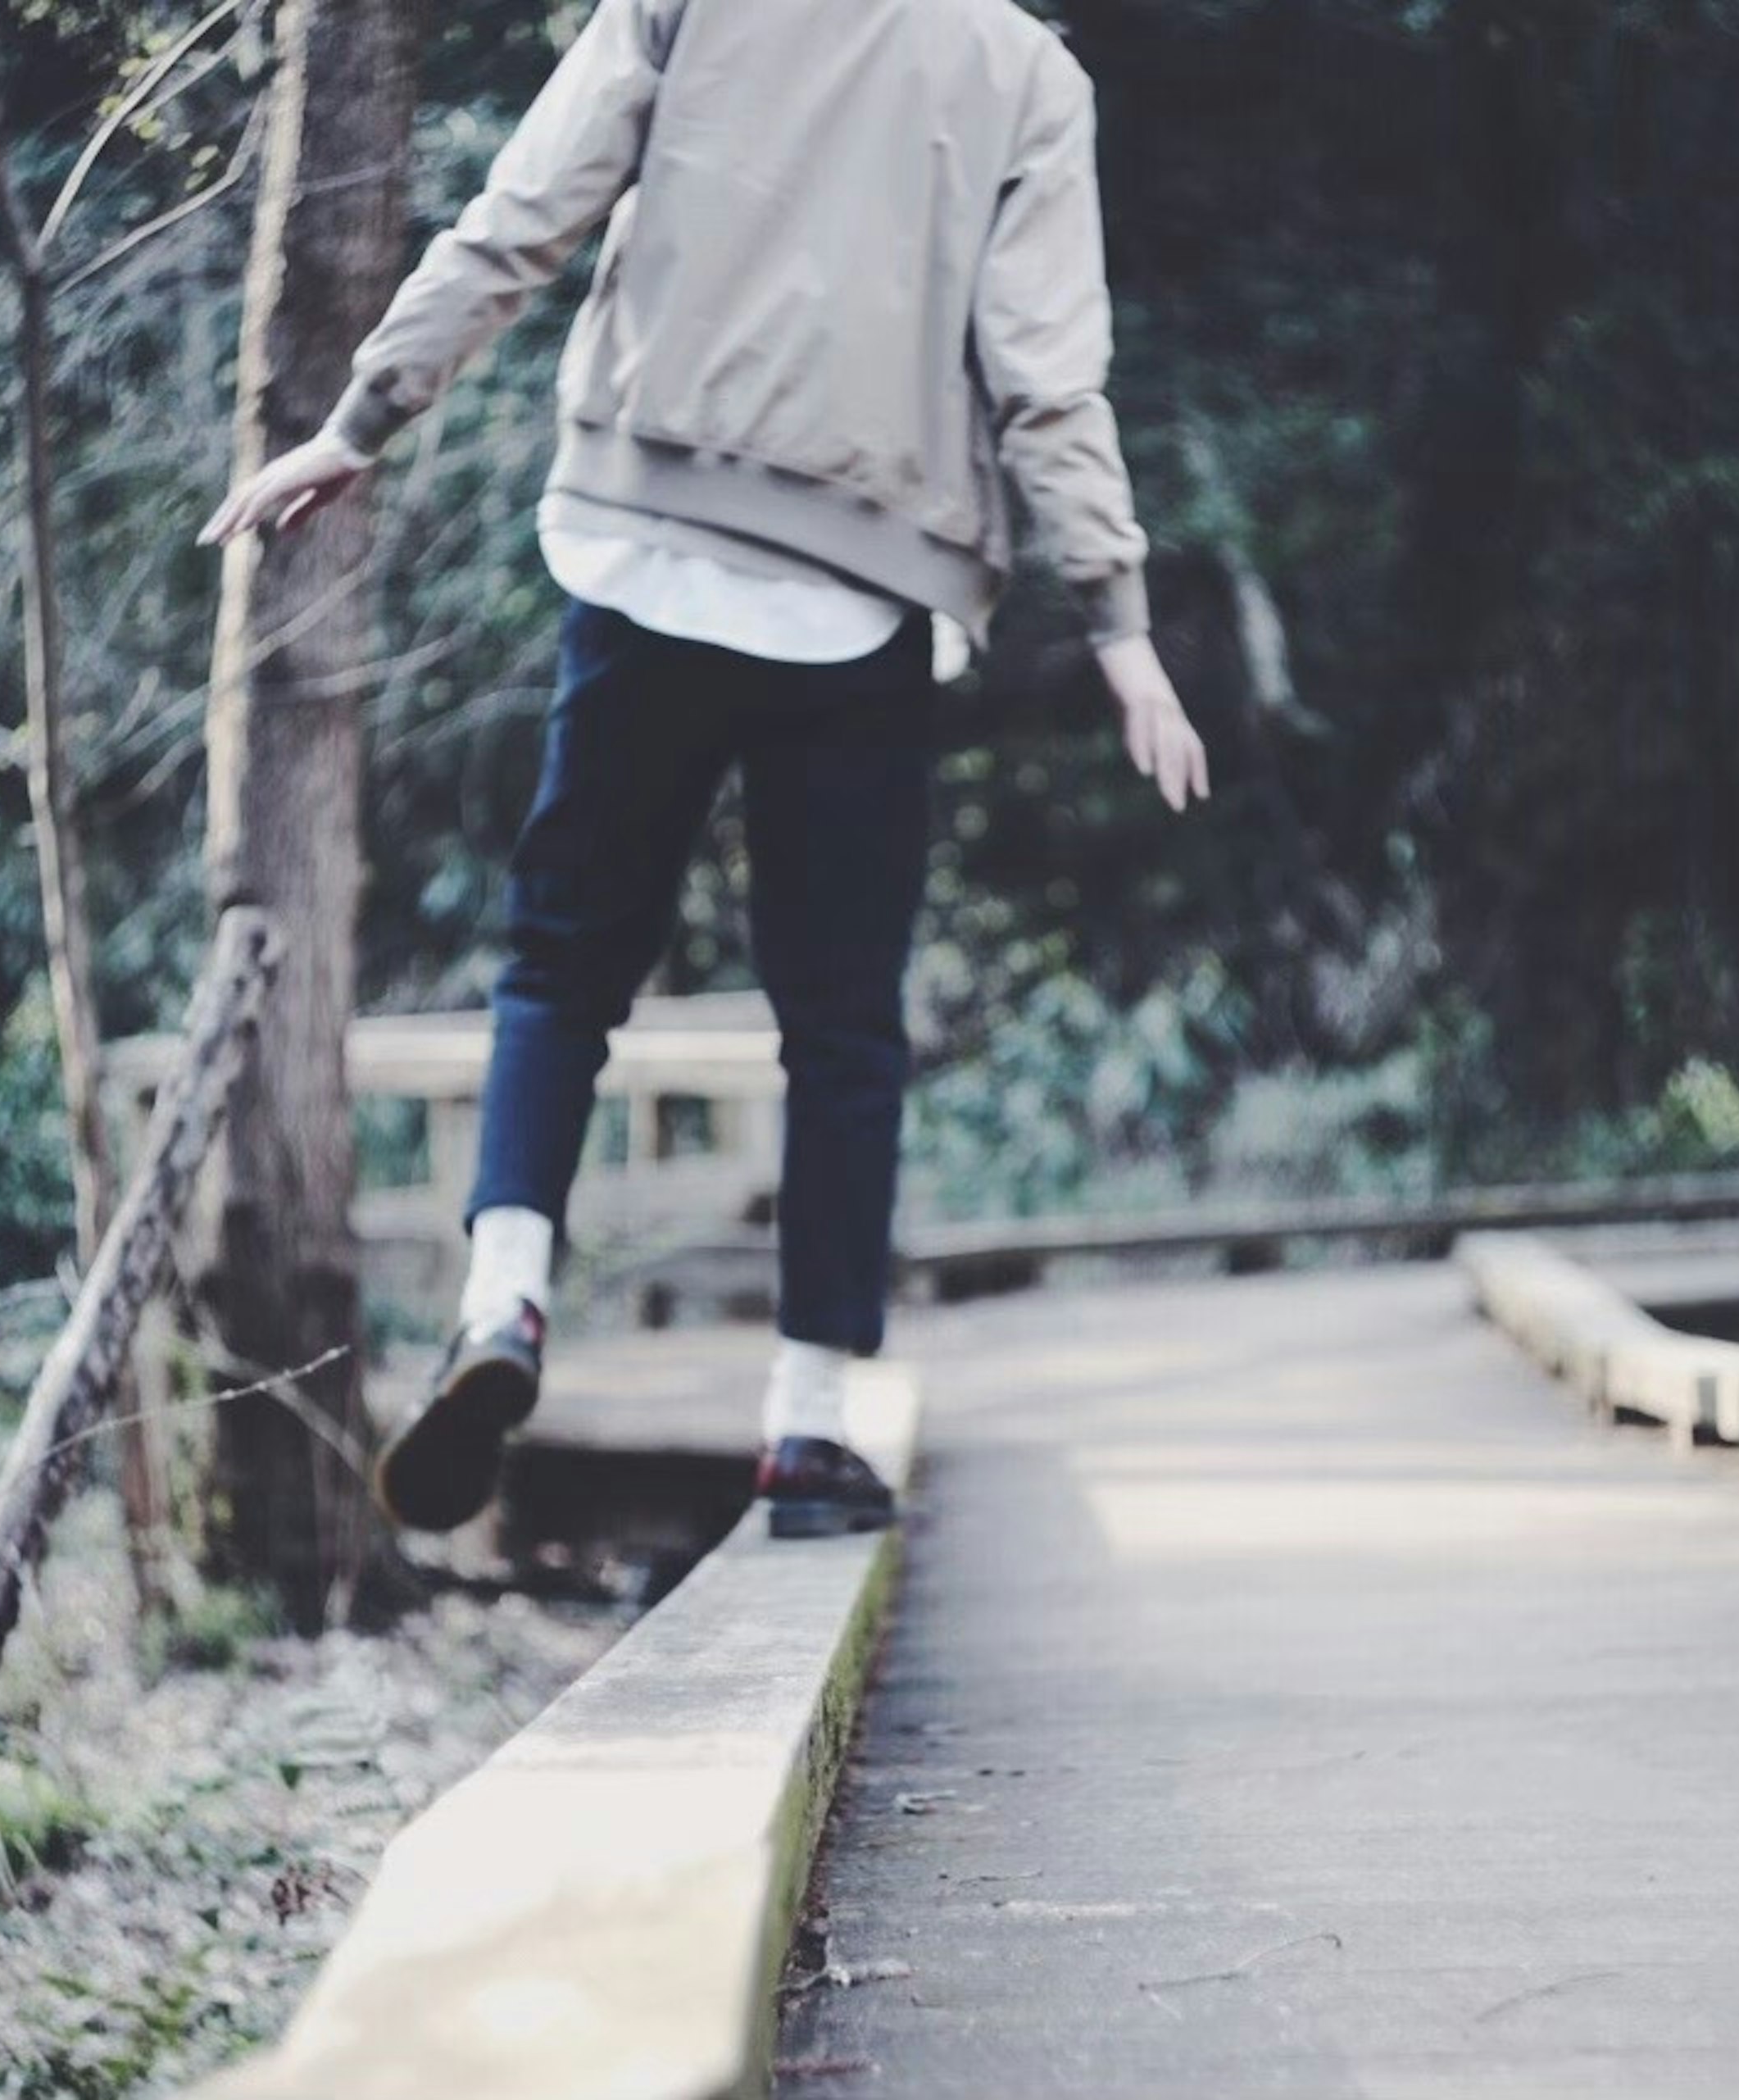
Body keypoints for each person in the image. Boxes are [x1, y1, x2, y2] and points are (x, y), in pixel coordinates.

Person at [201, 0, 1207, 1541]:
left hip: (643, 554)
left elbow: (523, 208)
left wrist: (364, 417)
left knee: (562, 962)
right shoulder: (1023, 72)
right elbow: (1046, 377)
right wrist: (1118, 620)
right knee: (843, 1026)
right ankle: (806, 1431)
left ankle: (506, 1299)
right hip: (859, 602)